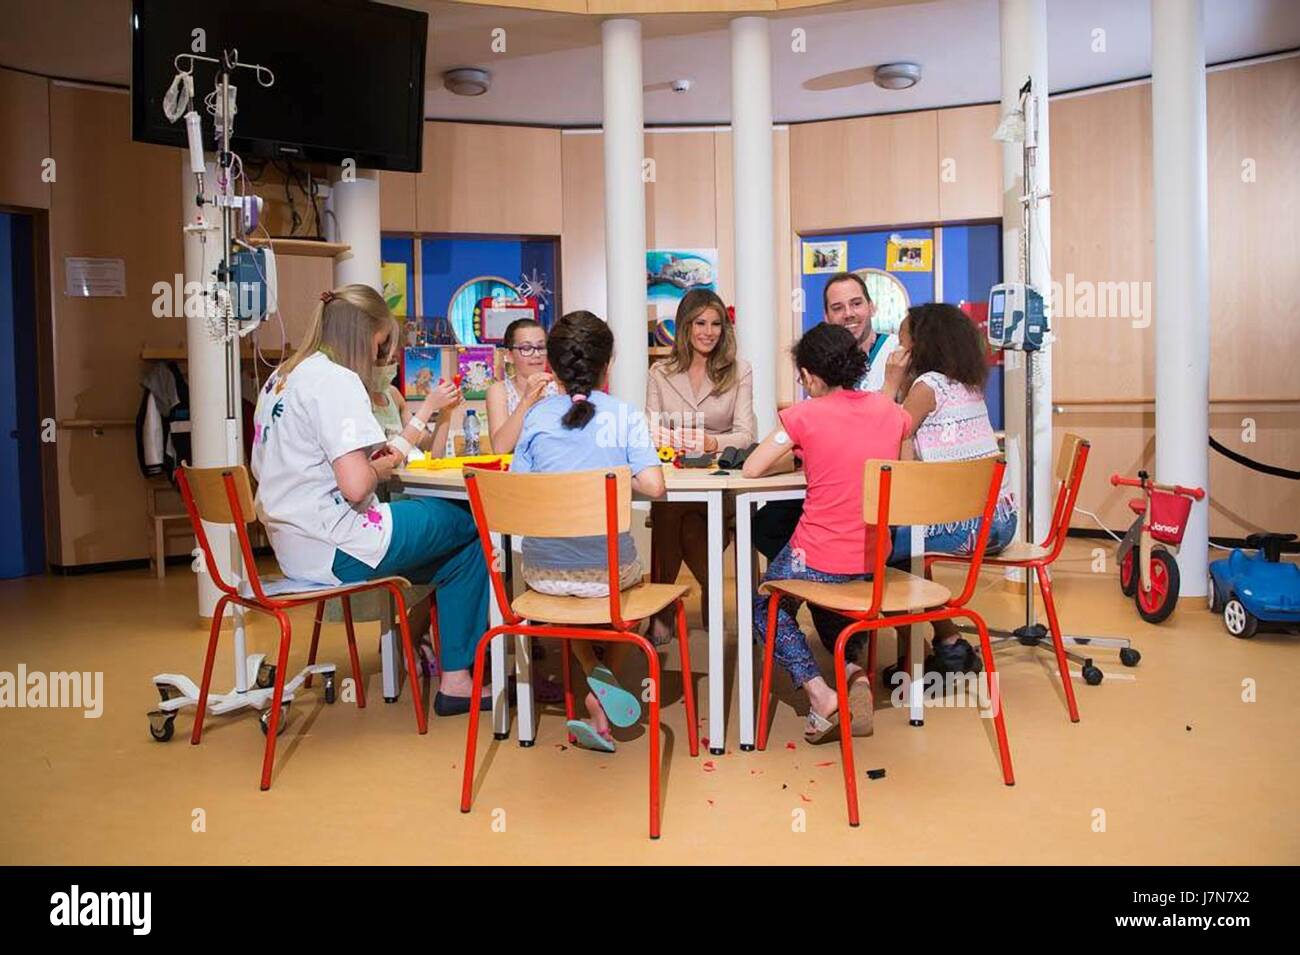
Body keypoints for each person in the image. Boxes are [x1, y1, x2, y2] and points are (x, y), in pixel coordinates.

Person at [250, 284, 493, 717]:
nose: (381, 359)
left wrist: (372, 462)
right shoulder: (336, 380)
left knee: (454, 552)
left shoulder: (281, 377)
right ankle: (457, 679)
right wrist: (377, 468)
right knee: (471, 522)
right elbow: (357, 487)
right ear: (364, 336)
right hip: (337, 546)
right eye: (381, 344)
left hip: (292, 548)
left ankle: (431, 652)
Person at [742, 323, 911, 743]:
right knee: (827, 598)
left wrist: (800, 449)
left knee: (765, 606)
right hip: (872, 560)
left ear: (810, 376)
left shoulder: (803, 415)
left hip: (816, 556)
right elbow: (899, 464)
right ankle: (852, 670)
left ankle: (820, 694)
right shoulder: (892, 413)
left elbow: (752, 467)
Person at [511, 310, 667, 752]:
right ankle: (602, 685)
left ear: (552, 366)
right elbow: (654, 485)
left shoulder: (537, 418)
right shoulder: (624, 415)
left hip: (542, 575)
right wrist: (617, 475)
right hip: (608, 580)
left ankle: (590, 678)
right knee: (619, 589)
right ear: (608, 365)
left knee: (574, 593)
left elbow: (520, 489)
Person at [884, 303, 1018, 674]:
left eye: (902, 340)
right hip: (1001, 518)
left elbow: (886, 430)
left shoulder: (928, 385)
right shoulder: (967, 384)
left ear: (921, 345)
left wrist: (891, 383)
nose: (899, 348)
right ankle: (947, 643)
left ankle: (927, 649)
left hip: (971, 524)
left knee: (880, 548)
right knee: (903, 541)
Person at [751, 271, 902, 562]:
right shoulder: (822, 358)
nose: (849, 313)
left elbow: (898, 426)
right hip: (833, 487)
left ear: (872, 306)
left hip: (884, 492)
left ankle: (813, 580)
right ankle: (823, 588)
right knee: (768, 523)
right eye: (838, 307)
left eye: (856, 303)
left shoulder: (896, 355)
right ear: (827, 316)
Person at [645, 290, 756, 640]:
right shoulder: (660, 371)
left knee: (674, 514)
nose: (709, 332)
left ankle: (663, 609)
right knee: (674, 513)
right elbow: (650, 427)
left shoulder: (739, 370)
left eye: (716, 324)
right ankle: (708, 591)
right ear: (685, 326)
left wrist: (711, 442)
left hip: (718, 477)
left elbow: (746, 433)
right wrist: (667, 439)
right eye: (700, 323)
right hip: (674, 473)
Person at [484, 317, 557, 454]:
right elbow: (500, 448)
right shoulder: (499, 391)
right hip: (516, 472)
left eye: (541, 347)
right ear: (509, 355)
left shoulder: (559, 388)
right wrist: (527, 400)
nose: (536, 354)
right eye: (526, 348)